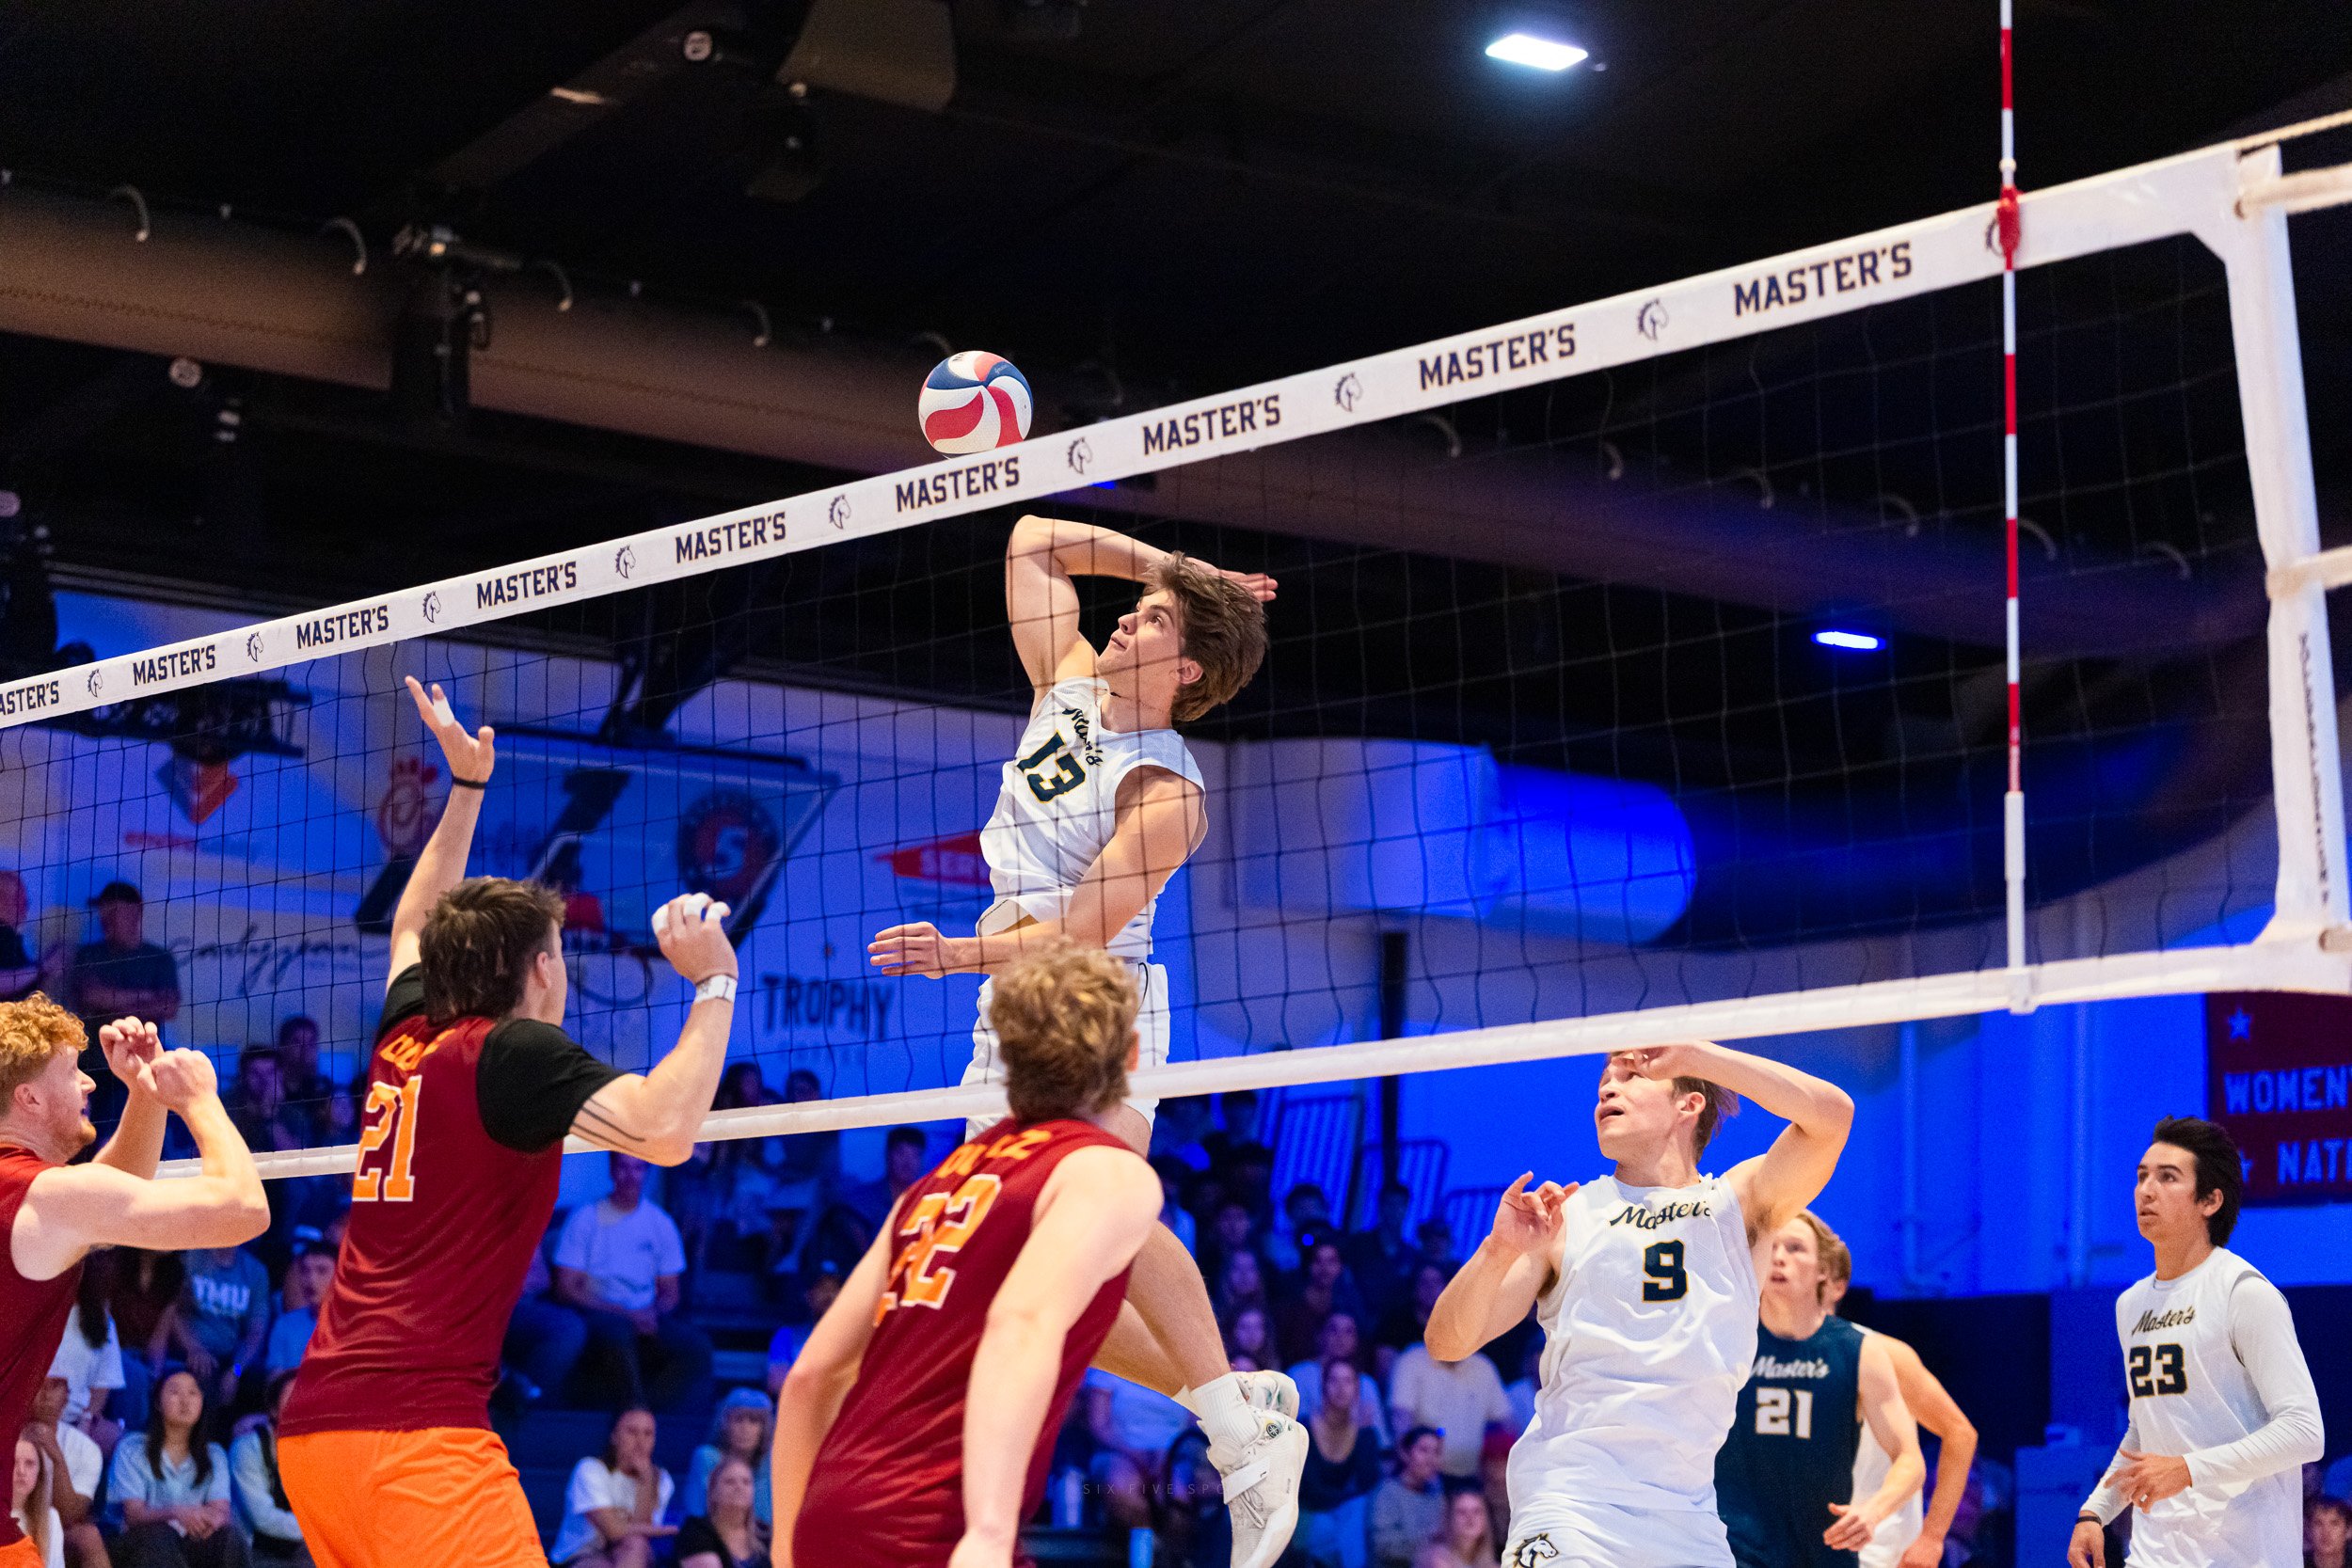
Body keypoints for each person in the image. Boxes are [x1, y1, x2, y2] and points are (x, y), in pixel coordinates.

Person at [864, 515, 1300, 1567]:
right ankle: (1235, 1408)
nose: (1126, 619)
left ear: (1185, 670)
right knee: (1024, 1273)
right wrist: (1177, 569)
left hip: (1096, 1002)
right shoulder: (1064, 687)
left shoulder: (1167, 790)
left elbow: (1078, 935)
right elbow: (1031, 542)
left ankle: (1240, 1437)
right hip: (1015, 1002)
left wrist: (956, 954)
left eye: (1152, 620)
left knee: (1099, 1210)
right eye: (1136, 608)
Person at [275, 678, 743, 1568]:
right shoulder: (512, 1052)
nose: (563, 971)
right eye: (557, 953)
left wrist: (467, 789)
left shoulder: (409, 1032)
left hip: (318, 1433)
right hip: (417, 1440)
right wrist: (715, 980)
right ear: (536, 970)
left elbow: (412, 924)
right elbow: (667, 1130)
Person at [773, 942, 1182, 1567]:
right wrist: (989, 1531)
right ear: (1131, 1054)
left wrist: (786, 1548)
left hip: (827, 1513)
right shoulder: (1107, 1172)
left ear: (1009, 1057)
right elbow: (1019, 1323)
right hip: (933, 1528)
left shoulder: (933, 1185)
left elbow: (808, 1379)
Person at [1425, 1042, 1857, 1568]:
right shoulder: (1566, 1217)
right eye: (1604, 1081)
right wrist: (1496, 1252)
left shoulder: (1739, 1204)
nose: (1608, 1088)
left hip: (1686, 1517)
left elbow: (1833, 1116)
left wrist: (1699, 1056)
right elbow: (1446, 1342)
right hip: (1572, 1502)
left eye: (1630, 1076)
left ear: (1688, 1104)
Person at [0, 999, 269, 1568]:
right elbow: (244, 1210)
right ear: (29, 1098)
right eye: (72, 1072)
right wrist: (199, 1100)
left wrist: (146, 1093)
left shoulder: (30, 1195)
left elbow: (107, 1195)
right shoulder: (42, 1196)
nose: (88, 1084)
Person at [2069, 1117, 2324, 1568]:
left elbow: (2305, 1432)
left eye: (2168, 1177)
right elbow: (2146, 1428)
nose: (2146, 1190)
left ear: (2210, 1200)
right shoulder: (2131, 1305)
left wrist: (2188, 1469)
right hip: (2154, 1553)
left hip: (2246, 1555)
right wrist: (2096, 1511)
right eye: (2142, 1176)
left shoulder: (2243, 1292)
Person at [1713, 1212, 1923, 1567]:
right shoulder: (1726, 1340)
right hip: (1734, 1550)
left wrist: (1873, 1512)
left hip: (1823, 1550)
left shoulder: (1860, 1351)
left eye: (1795, 1248)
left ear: (1824, 1270)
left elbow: (1910, 1458)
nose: (1778, 1257)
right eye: (1771, 1247)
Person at [1819, 1251, 1979, 1568]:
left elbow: (1960, 1434)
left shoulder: (1881, 1353)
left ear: (1835, 1285)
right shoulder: (1754, 1353)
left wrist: (1932, 1538)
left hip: (1878, 1553)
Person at [551, 1152, 713, 1412]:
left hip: (647, 1313)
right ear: (611, 1171)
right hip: (597, 1311)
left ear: (646, 1173)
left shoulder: (660, 1223)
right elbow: (566, 1288)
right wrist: (625, 1314)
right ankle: (633, 1410)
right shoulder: (585, 1218)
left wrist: (652, 1314)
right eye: (623, 1168)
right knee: (618, 1332)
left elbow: (671, 1292)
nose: (630, 1176)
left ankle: (651, 1414)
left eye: (637, 1169)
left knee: (697, 1347)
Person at [108, 1368, 244, 1568]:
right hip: (140, 1543)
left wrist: (213, 1521)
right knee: (160, 1535)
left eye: (193, 1393)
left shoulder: (214, 1454)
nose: (185, 1401)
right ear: (157, 1402)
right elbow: (134, 1515)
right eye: (174, 1392)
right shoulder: (132, 1448)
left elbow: (220, 1509)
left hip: (192, 1540)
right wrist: (176, 1512)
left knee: (228, 1537)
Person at [548, 1407, 675, 1568]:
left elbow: (642, 1532)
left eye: (648, 1434)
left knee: (637, 1544)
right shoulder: (590, 1469)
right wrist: (663, 1530)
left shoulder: (661, 1479)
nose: (640, 1442)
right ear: (614, 1436)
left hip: (627, 1553)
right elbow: (612, 1531)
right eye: (632, 1432)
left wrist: (645, 1482)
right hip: (580, 1555)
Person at [1389, 1337, 1514, 1482]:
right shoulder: (1412, 1360)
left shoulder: (1483, 1367)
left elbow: (1507, 1424)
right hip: (1426, 1479)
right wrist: (1410, 1466)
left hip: (1472, 1476)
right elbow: (1401, 1420)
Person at [1297, 1356, 1383, 1568]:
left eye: (1348, 1381)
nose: (1341, 1389)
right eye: (1334, 1380)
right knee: (1344, 1527)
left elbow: (1368, 1482)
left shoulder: (1364, 1432)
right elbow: (1311, 1491)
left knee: (1357, 1511)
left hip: (1344, 1514)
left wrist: (1364, 1435)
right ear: (1323, 1386)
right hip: (1305, 1512)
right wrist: (1346, 1503)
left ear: (1357, 1388)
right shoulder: (1303, 1428)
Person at [172, 1246, 269, 1415]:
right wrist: (194, 1349)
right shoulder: (191, 1259)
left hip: (232, 1360)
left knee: (255, 1382)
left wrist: (235, 1371)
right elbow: (174, 1313)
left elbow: (256, 1333)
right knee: (204, 1375)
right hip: (189, 1351)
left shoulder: (256, 1272)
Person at [19, 1378, 104, 1568]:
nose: (46, 1395)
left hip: (58, 1528)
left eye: (55, 1386)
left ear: (67, 1397)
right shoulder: (6, 1433)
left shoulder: (86, 1448)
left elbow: (71, 1517)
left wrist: (55, 1454)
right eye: (39, 1384)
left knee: (88, 1536)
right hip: (10, 1519)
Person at [230, 1375, 307, 1566]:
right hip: (257, 1551)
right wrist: (318, 1529)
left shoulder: (319, 1449)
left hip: (304, 1546)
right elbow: (262, 1517)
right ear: (273, 1409)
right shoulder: (248, 1447)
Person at [682, 1388, 772, 1528]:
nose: (745, 1428)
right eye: (738, 1420)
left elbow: (768, 1520)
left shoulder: (769, 1464)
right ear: (725, 1424)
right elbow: (697, 1514)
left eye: (754, 1421)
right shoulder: (707, 1458)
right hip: (710, 1535)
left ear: (764, 1428)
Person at [1371, 1429, 1447, 1568]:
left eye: (1436, 1452)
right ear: (1406, 1454)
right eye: (1424, 1450)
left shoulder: (1437, 1495)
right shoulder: (1387, 1494)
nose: (1431, 1459)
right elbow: (1385, 1548)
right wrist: (1430, 1550)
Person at [678, 1455, 766, 1568]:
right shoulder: (696, 1530)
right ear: (713, 1492)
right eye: (730, 1482)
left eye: (746, 1482)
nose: (739, 1487)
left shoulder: (765, 1534)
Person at [263, 1250, 334, 1379]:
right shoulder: (285, 1324)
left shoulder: (356, 1328)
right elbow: (274, 1377)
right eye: (305, 1271)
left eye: (322, 1271)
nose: (311, 1279)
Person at [1416, 1488, 1499, 1568]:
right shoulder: (1436, 1558)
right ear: (1450, 1518)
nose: (1470, 1518)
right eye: (1462, 1512)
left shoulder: (1487, 1560)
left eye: (1476, 1512)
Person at [9, 1439, 53, 1568]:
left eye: (29, 1463)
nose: (21, 1471)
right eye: (13, 1462)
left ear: (40, 1472)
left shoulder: (51, 1518)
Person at [0, 874, 41, 1003]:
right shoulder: (4, 934)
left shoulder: (11, 935)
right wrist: (43, 968)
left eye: (24, 901)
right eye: (16, 899)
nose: (23, 907)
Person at [2310, 1495, 2350, 1568]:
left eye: (2334, 1524)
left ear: (2348, 1531)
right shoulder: (2295, 1561)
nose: (2325, 1533)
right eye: (2318, 1523)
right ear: (2310, 1529)